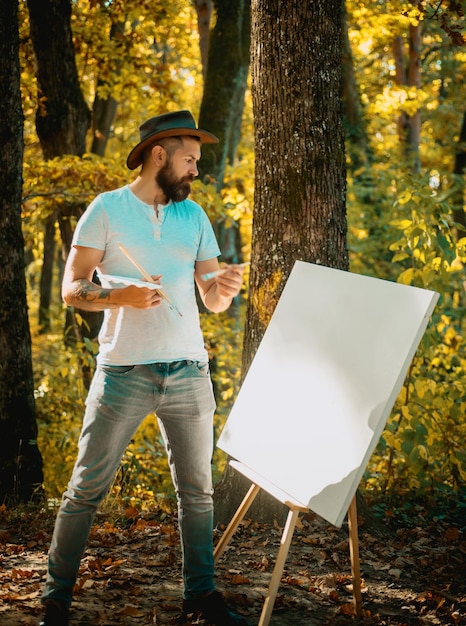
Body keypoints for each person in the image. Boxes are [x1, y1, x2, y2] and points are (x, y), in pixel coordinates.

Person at [38, 110, 249, 626]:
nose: (196, 169)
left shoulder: (193, 216)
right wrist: (121, 296)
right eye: (190, 159)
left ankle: (200, 595)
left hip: (189, 372)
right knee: (85, 490)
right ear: (160, 155)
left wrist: (222, 288)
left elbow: (209, 298)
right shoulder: (106, 210)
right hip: (123, 374)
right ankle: (55, 600)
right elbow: (72, 288)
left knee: (197, 492)